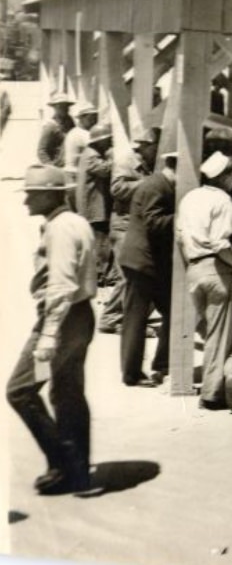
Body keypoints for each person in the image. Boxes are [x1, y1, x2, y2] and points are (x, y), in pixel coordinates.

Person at [7, 165, 99, 495]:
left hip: (59, 321)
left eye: (31, 194)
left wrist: (47, 335)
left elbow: (60, 285)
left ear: (49, 193)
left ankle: (64, 463)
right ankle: (79, 473)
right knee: (67, 392)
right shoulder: (75, 222)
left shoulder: (59, 229)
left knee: (20, 390)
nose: (25, 202)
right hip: (79, 318)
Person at [175, 151, 232, 412]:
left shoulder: (190, 198)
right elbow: (219, 243)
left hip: (194, 270)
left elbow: (180, 235)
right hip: (217, 270)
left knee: (213, 331)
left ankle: (230, 372)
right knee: (219, 333)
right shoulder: (223, 201)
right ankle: (211, 392)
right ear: (225, 177)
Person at [117, 150, 177, 387]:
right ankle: (131, 373)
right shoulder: (156, 186)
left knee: (172, 311)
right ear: (176, 168)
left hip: (149, 263)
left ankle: (162, 365)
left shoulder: (160, 185)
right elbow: (153, 222)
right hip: (142, 262)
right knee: (136, 318)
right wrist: (180, 217)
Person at [76, 123, 119, 333]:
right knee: (101, 244)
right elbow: (106, 170)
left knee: (101, 243)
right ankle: (100, 277)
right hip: (95, 209)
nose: (109, 141)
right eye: (107, 139)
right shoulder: (92, 155)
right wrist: (115, 156)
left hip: (95, 207)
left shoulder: (90, 153)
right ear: (99, 140)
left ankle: (101, 275)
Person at [62, 102, 98, 183]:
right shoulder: (84, 134)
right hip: (76, 174)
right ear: (82, 118)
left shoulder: (73, 132)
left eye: (94, 118)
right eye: (90, 118)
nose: (93, 121)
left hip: (70, 172)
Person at [37, 92, 75, 166]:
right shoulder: (50, 126)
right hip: (57, 165)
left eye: (66, 106)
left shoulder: (70, 122)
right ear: (55, 108)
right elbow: (41, 151)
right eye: (61, 106)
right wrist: (50, 167)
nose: (65, 109)